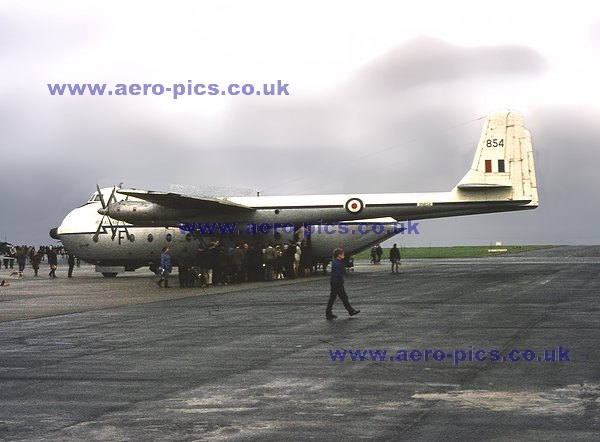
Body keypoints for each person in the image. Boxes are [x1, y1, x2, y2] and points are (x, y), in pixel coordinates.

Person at [326, 248, 360, 320]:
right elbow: (339, 273)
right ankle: (350, 311)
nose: (343, 255)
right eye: (342, 254)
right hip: (337, 283)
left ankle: (329, 313)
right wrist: (341, 279)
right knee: (343, 297)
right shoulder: (338, 263)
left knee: (334, 298)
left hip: (335, 282)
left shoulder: (336, 262)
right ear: (339, 255)